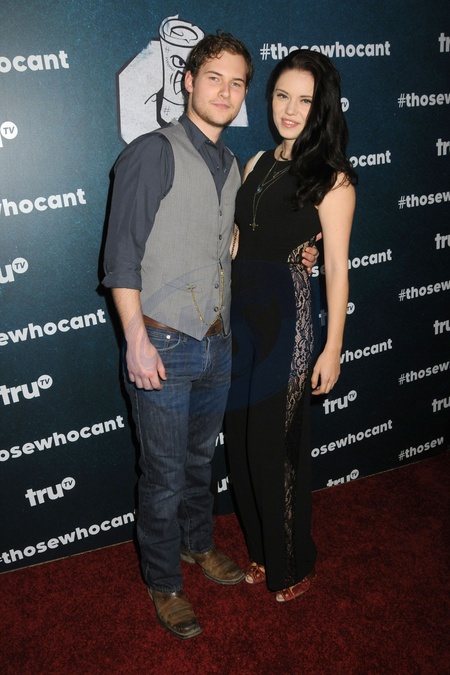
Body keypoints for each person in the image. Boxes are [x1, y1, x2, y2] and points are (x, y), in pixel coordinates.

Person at [225, 49, 357, 603]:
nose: (290, 109)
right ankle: (261, 550)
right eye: (282, 95)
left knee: (274, 449)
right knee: (240, 448)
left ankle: (295, 562)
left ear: (321, 107)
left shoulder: (333, 180)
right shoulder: (255, 161)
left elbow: (337, 270)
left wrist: (333, 348)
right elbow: (239, 240)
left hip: (289, 324)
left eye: (305, 100)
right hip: (240, 323)